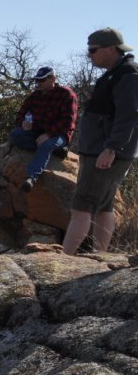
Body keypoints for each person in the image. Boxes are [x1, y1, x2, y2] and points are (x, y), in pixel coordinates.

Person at [62, 27, 138, 255]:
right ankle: (99, 255)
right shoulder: (117, 73)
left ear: (110, 49)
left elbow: (129, 115)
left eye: (93, 50)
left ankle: (64, 261)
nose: (90, 55)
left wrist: (112, 148)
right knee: (103, 207)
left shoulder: (128, 74)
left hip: (105, 152)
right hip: (103, 150)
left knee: (81, 206)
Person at [8, 65, 78, 192]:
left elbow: (68, 122)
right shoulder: (34, 96)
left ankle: (31, 177)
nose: (37, 83)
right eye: (36, 80)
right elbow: (20, 114)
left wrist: (48, 135)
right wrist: (22, 123)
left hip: (59, 134)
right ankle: (55, 150)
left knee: (45, 144)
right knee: (15, 135)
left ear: (52, 78)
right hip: (36, 133)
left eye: (41, 80)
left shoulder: (66, 94)